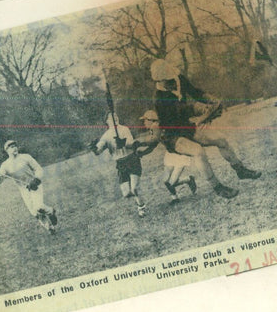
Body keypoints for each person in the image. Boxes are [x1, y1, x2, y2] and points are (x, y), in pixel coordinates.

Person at [150, 58, 261, 200]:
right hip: (172, 134)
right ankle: (218, 187)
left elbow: (195, 92)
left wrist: (211, 100)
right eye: (166, 80)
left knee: (221, 140)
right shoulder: (159, 99)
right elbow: (178, 117)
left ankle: (240, 170)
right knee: (198, 151)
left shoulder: (179, 79)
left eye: (171, 78)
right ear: (159, 81)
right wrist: (204, 113)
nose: (171, 82)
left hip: (186, 125)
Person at [0, 139, 58, 234]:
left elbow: (38, 169)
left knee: (39, 207)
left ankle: (51, 211)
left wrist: (36, 180)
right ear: (7, 150)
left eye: (15, 146)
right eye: (11, 147)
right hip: (24, 190)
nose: (14, 148)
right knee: (35, 213)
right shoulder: (5, 165)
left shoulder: (26, 157)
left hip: (34, 186)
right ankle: (50, 228)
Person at [89, 111, 147, 217]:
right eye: (111, 117)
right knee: (126, 193)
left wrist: (123, 143)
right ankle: (137, 196)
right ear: (106, 121)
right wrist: (93, 148)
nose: (115, 118)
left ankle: (141, 207)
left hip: (132, 160)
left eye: (116, 115)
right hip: (121, 164)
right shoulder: (106, 135)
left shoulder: (124, 129)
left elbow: (132, 144)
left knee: (134, 188)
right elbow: (98, 151)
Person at [138, 109, 197, 204]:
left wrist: (137, 144)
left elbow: (152, 141)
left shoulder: (155, 126)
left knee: (172, 182)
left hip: (180, 153)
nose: (144, 123)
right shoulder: (154, 129)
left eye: (145, 120)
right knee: (166, 180)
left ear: (151, 120)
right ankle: (175, 198)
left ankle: (189, 179)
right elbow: (153, 146)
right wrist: (142, 153)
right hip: (170, 153)